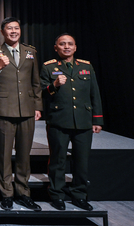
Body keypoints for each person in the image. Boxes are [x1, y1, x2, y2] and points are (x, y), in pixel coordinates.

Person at [0, 17, 42, 211]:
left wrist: (38, 106)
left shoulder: (30, 51)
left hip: (26, 108)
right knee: (5, 154)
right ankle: (7, 193)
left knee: (24, 155)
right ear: (3, 32)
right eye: (9, 28)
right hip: (4, 109)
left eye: (16, 28)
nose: (14, 31)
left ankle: (24, 192)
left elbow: (36, 82)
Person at [40, 33, 103, 211]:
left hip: (83, 122)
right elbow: (40, 93)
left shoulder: (86, 67)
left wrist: (97, 119)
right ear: (56, 48)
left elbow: (95, 94)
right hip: (59, 121)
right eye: (62, 44)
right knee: (58, 161)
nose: (66, 47)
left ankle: (79, 195)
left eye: (70, 44)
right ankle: (57, 195)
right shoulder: (48, 68)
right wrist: (54, 85)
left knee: (81, 161)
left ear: (75, 47)